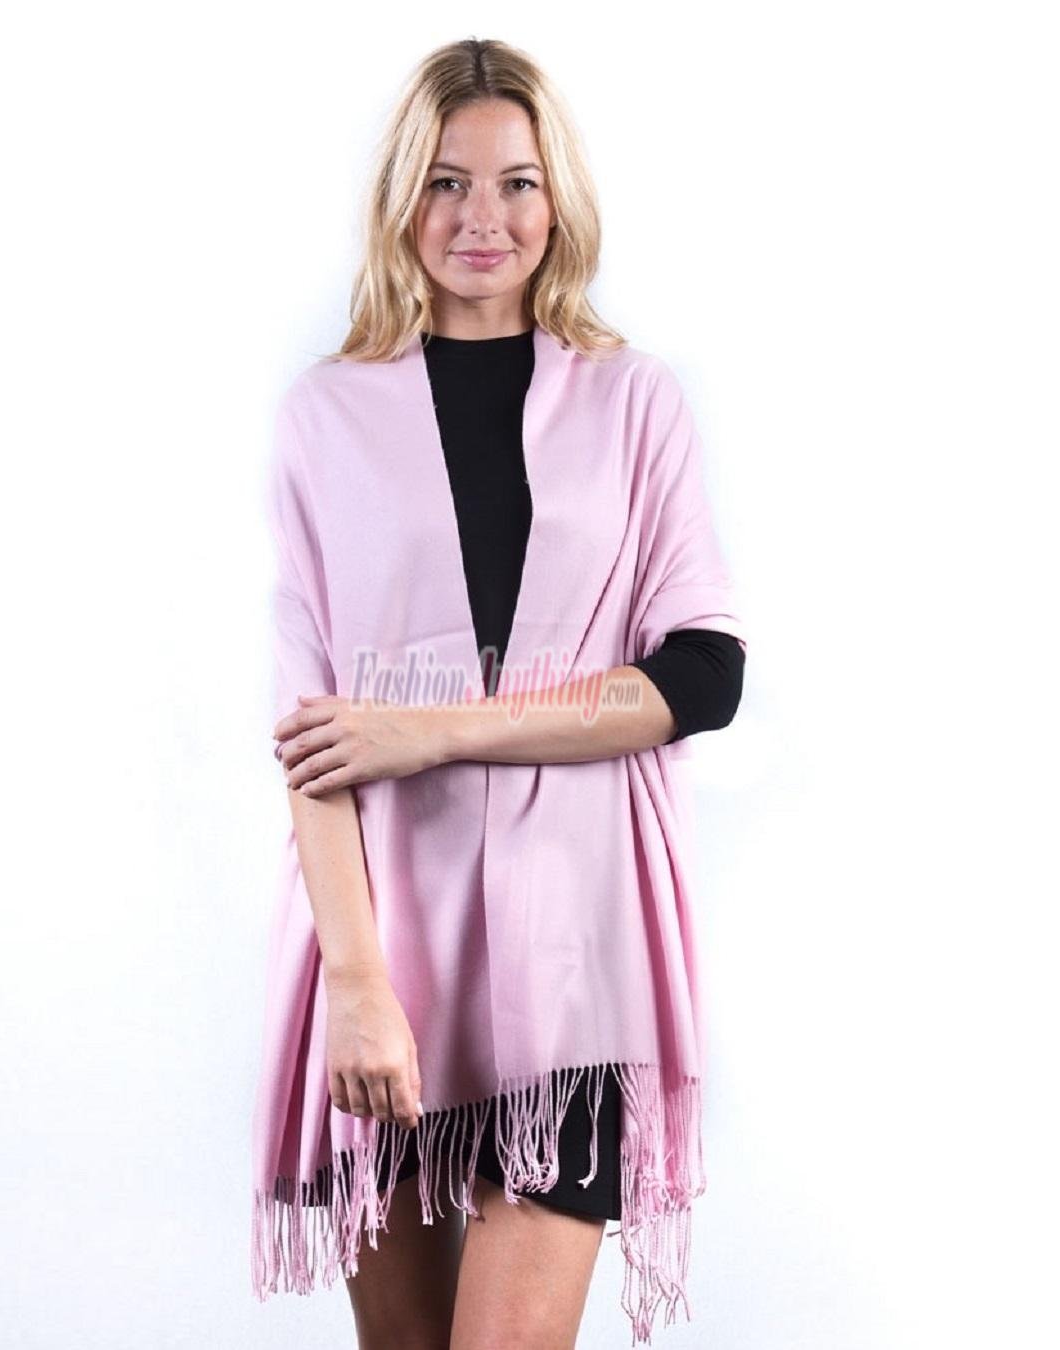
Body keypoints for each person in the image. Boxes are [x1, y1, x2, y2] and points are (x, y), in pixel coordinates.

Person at [256, 37, 747, 1349]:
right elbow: (308, 741)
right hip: (386, 951)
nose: (484, 218)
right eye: (447, 182)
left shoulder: (633, 403)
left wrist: (430, 729)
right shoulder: (323, 419)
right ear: (401, 199)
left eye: (517, 182)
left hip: (574, 955)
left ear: (557, 197)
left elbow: (702, 673)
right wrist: (356, 980)